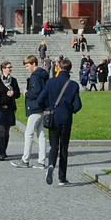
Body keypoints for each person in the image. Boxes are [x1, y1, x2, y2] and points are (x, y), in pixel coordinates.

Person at [38, 57, 82, 186]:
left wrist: (46, 108)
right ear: (70, 69)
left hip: (53, 117)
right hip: (66, 119)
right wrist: (71, 110)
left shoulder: (51, 82)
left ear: (58, 67)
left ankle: (51, 165)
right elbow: (78, 105)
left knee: (54, 146)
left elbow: (40, 99)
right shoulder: (73, 85)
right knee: (64, 148)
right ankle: (62, 178)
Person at [14, 55, 49, 169]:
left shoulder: (35, 76)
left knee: (29, 133)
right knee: (42, 135)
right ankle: (42, 161)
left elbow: (35, 92)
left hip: (35, 108)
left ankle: (25, 159)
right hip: (44, 107)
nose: (26, 68)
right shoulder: (44, 75)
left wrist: (26, 93)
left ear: (34, 63)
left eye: (27, 65)